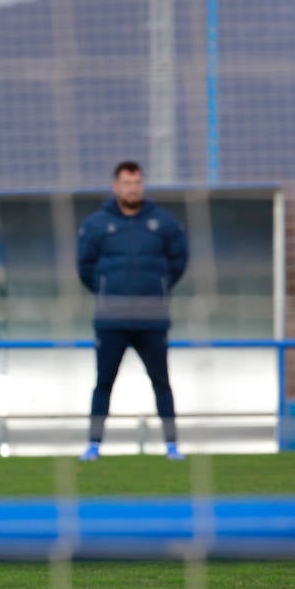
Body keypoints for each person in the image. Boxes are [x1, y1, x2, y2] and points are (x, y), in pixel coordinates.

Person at [76, 160, 189, 461]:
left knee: (161, 382)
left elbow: (179, 262)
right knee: (103, 382)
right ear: (116, 187)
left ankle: (172, 446)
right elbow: (84, 269)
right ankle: (94, 445)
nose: (132, 188)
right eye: (127, 183)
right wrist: (108, 291)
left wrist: (157, 288)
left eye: (137, 182)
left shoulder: (163, 223)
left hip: (152, 318)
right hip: (110, 319)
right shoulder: (96, 224)